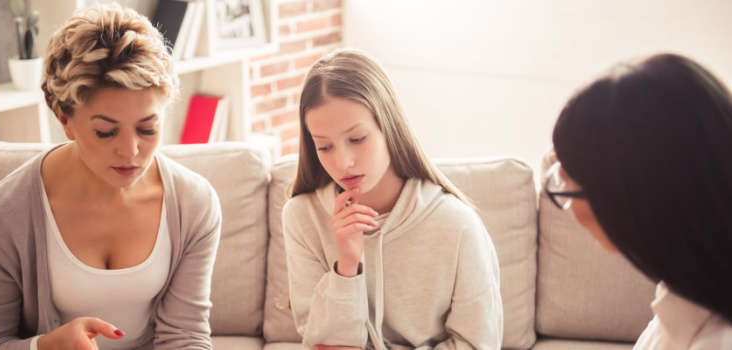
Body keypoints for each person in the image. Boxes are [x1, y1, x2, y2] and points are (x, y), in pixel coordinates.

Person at [0, 4, 220, 349]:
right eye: (105, 132)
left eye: (148, 128)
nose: (130, 151)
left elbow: (185, 337)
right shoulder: (2, 216)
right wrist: (47, 346)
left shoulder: (193, 204)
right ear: (65, 119)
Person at [282, 48, 503, 350]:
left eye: (357, 139)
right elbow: (325, 345)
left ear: (389, 126)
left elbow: (478, 343)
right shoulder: (300, 216)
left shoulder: (457, 224)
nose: (343, 162)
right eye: (324, 147)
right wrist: (346, 266)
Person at [545, 53, 732, 349]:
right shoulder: (682, 292)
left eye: (567, 180)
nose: (567, 205)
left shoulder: (716, 339)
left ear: (626, 198)